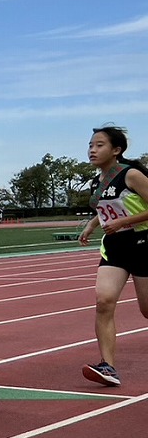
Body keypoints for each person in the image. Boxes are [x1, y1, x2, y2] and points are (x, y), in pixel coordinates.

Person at [77, 124, 148, 386]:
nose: (92, 150)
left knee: (147, 310)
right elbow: (107, 209)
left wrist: (123, 222)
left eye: (99, 145)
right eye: (91, 145)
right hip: (115, 247)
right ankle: (108, 367)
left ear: (116, 150)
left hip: (142, 242)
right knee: (104, 301)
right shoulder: (98, 181)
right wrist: (92, 225)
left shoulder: (131, 175)